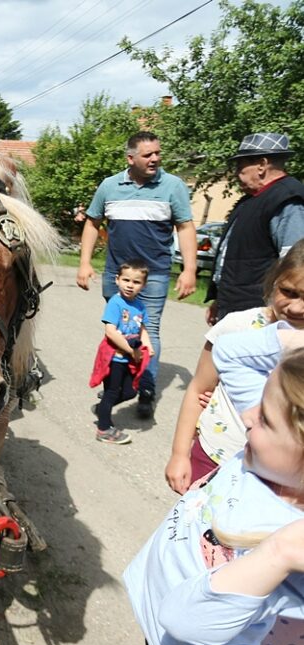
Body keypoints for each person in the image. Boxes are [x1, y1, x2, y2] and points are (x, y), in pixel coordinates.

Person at [124, 329, 304, 645]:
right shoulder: (270, 458)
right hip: (152, 602)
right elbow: (228, 351)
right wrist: (295, 343)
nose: (247, 417)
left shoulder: (290, 540)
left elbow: (183, 622)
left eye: (265, 418)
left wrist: (281, 553)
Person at [165, 240, 304, 494]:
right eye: (288, 291)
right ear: (274, 281)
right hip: (213, 455)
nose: (295, 307)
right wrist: (179, 454)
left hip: (282, 478)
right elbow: (198, 389)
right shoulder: (239, 326)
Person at [77, 131, 198, 419]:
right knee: (117, 329)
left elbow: (185, 227)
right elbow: (93, 223)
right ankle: (113, 383)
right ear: (130, 158)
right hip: (116, 274)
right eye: (148, 154)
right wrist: (84, 262)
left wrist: (190, 269)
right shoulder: (109, 186)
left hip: (154, 273)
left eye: (157, 153)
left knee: (148, 329)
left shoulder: (172, 186)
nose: (155, 158)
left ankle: (145, 387)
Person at [207, 132, 304, 326]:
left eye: (241, 166)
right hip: (234, 304)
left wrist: (278, 310)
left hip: (260, 312)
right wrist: (219, 298)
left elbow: (295, 265)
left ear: (262, 164)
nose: (236, 173)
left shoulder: (287, 201)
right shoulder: (251, 199)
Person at [89, 259, 153, 445]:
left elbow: (142, 328)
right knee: (111, 392)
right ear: (117, 280)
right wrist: (131, 351)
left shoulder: (140, 306)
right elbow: (110, 331)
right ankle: (103, 429)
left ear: (143, 285)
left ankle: (102, 409)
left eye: (136, 282)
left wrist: (148, 345)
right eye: (126, 280)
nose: (130, 286)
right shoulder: (116, 303)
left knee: (130, 392)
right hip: (115, 358)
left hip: (130, 358)